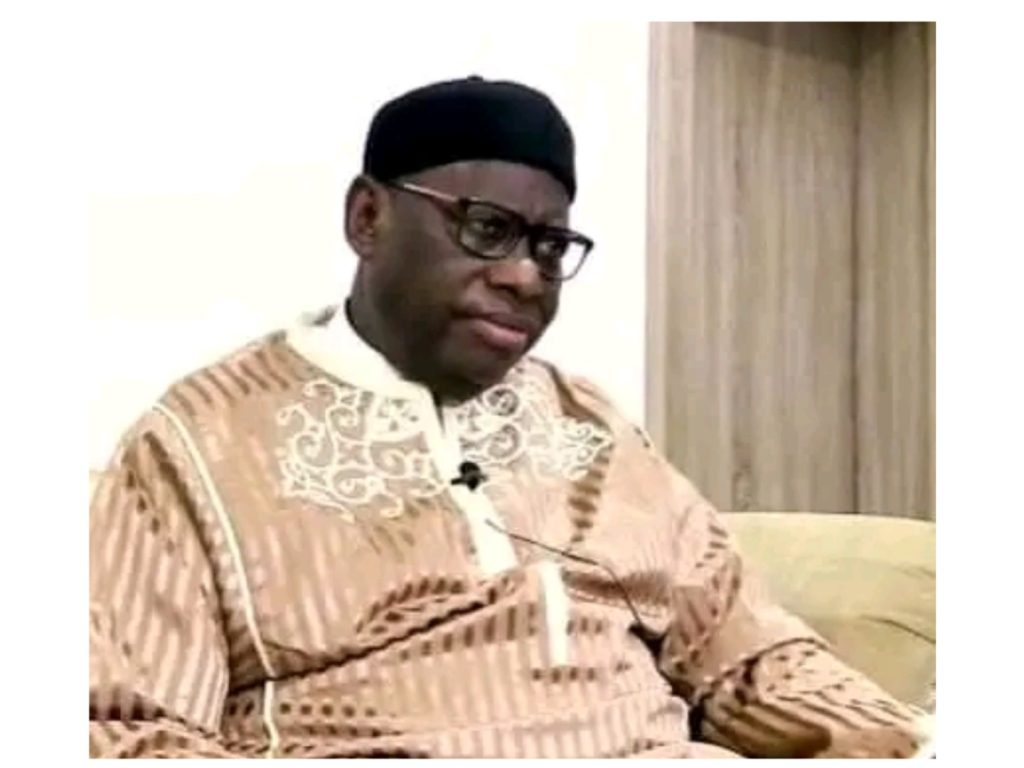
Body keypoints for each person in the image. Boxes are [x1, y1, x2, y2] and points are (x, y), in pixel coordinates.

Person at [89, 76, 928, 758]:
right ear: (368, 218)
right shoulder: (197, 444)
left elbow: (747, 657)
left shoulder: (592, 426)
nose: (526, 276)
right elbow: (126, 730)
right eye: (487, 229)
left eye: (550, 247)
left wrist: (916, 744)